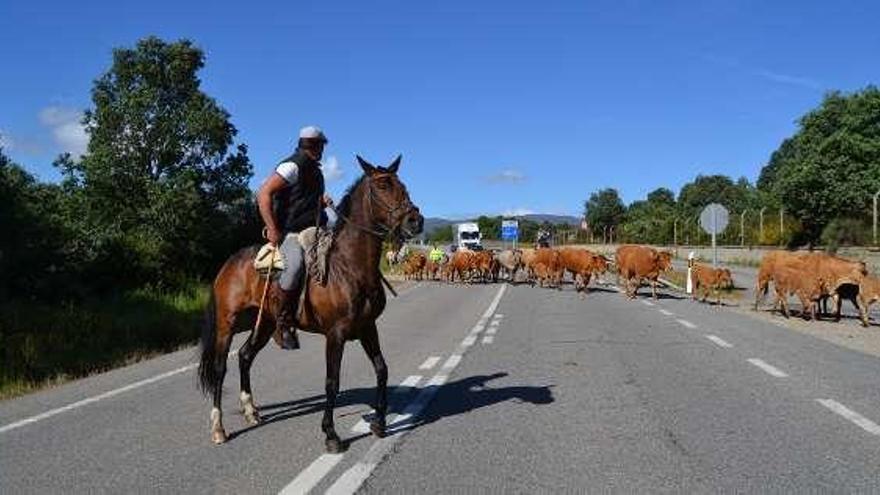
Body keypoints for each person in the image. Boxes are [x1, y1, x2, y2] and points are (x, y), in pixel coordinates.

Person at [256, 125, 333, 350]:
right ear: (314, 146)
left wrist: (320, 202)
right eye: (321, 146)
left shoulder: (315, 169)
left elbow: (300, 201)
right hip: (293, 233)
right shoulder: (292, 166)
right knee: (295, 267)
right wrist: (272, 228)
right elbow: (264, 194)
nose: (322, 150)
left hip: (316, 229)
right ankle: (283, 323)